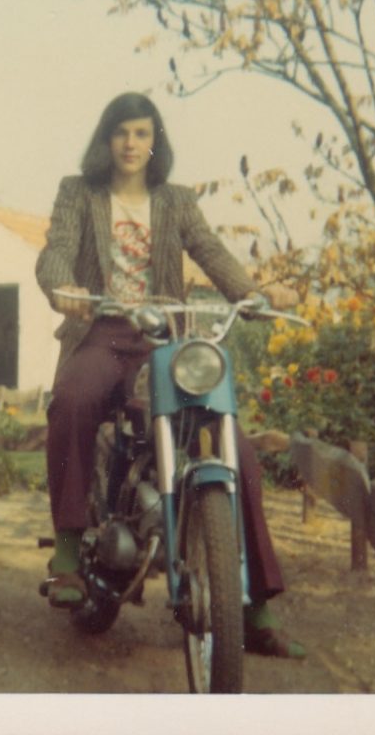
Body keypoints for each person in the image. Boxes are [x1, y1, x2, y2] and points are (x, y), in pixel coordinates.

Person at [35, 91, 305, 659]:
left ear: (155, 141)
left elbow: (210, 251)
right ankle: (68, 551)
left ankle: (254, 605)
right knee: (72, 401)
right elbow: (55, 250)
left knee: (236, 447)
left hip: (163, 338)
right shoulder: (79, 193)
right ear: (106, 139)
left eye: (141, 133)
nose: (131, 144)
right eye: (121, 133)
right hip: (102, 332)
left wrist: (253, 294)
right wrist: (67, 289)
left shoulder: (177, 201)